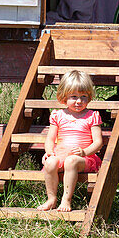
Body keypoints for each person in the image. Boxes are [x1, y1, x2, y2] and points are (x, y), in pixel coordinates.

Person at [38, 70, 103, 212]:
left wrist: (84, 152)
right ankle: (51, 198)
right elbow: (50, 138)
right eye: (74, 96)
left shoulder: (92, 116)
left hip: (84, 158)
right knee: (50, 162)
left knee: (71, 161)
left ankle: (66, 199)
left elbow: (98, 142)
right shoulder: (58, 115)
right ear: (64, 96)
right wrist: (49, 152)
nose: (79, 101)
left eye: (83, 96)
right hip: (61, 154)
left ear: (89, 97)